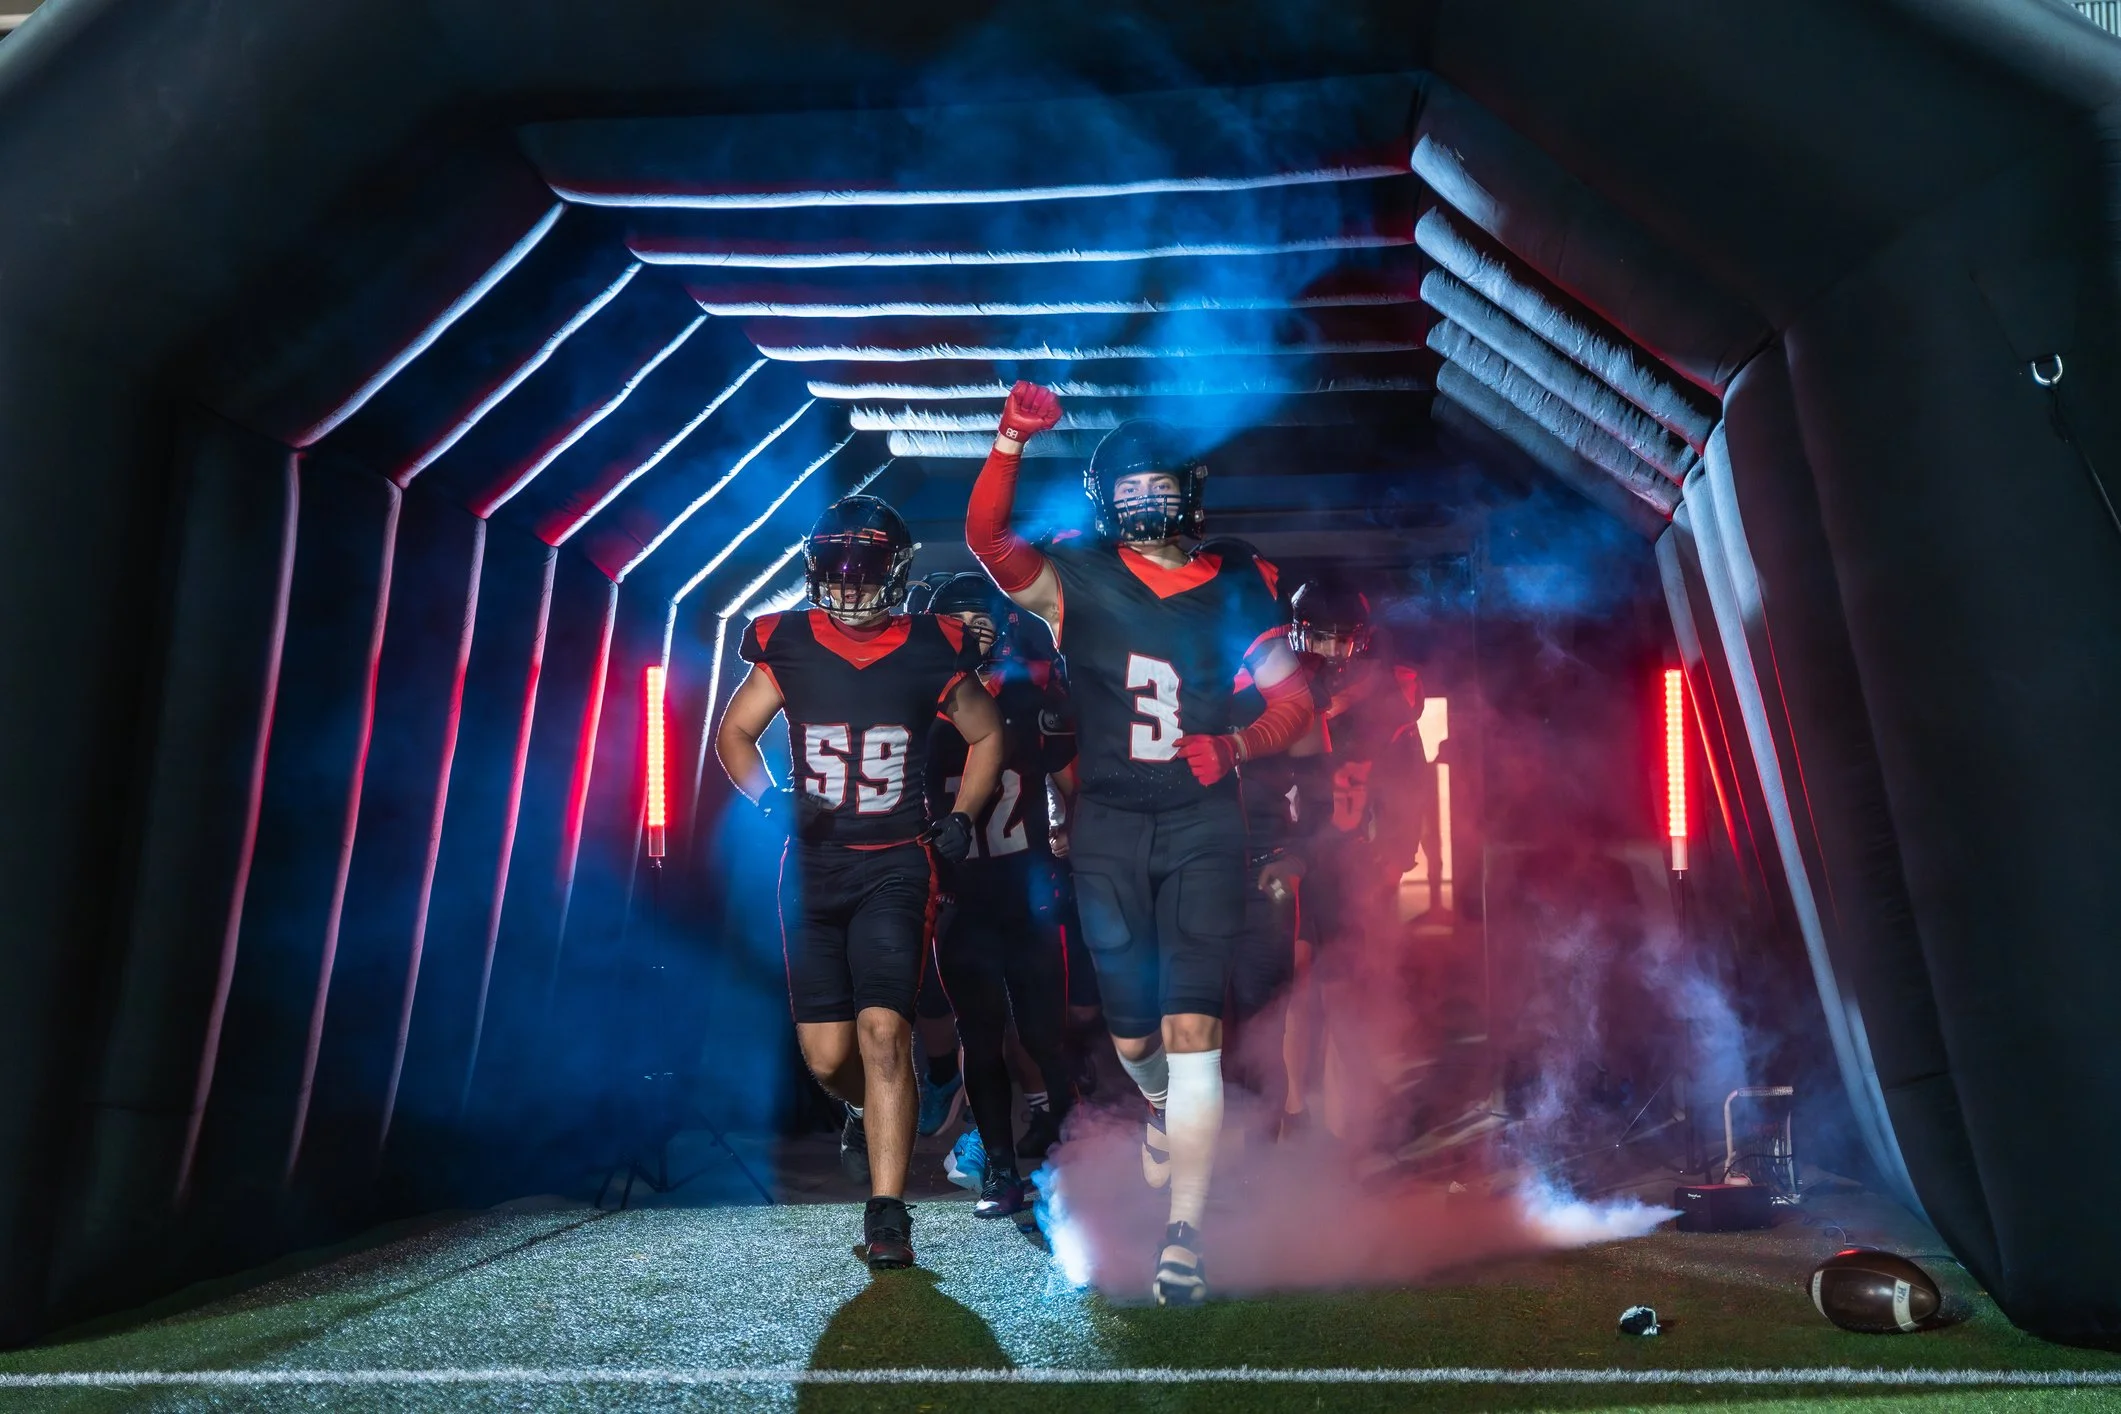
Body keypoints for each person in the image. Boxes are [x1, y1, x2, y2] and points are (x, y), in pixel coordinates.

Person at [964, 384, 1314, 1304]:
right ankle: (1158, 1107)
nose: (1143, 503)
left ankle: (1184, 1239)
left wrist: (1234, 742)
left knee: (1194, 1028)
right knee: (1134, 1036)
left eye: (1156, 485)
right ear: (1101, 500)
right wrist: (1007, 441)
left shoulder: (1239, 582)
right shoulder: (1076, 577)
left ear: (1189, 489)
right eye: (1126, 490)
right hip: (1110, 825)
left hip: (1203, 823)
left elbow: (1294, 704)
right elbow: (990, 546)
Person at [715, 496, 1001, 1270]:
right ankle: (865, 1112)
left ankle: (887, 1215)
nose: (846, 588)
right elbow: (734, 733)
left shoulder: (932, 646)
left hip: (898, 862)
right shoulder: (788, 641)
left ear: (896, 574)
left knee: (884, 1035)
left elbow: (985, 733)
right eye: (834, 571)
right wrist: (772, 798)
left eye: (863, 571)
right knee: (825, 1058)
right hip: (811, 869)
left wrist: (963, 815)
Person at [922, 573, 1077, 1218]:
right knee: (979, 1036)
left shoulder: (1033, 691)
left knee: (1045, 1033)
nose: (966, 636)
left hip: (1024, 888)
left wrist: (1070, 837)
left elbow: (1076, 785)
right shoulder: (916, 700)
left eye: (976, 622)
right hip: (962, 896)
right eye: (953, 623)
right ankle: (1000, 1171)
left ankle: (1073, 1159)